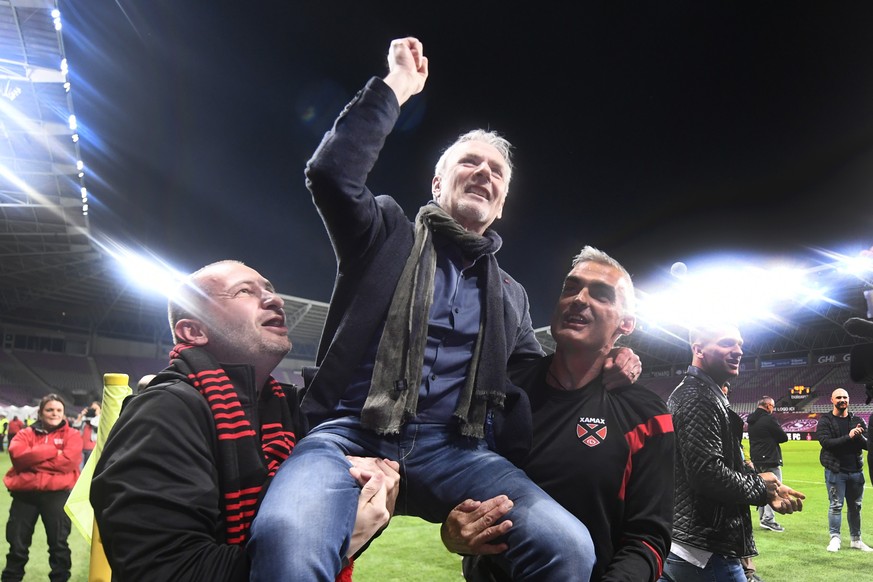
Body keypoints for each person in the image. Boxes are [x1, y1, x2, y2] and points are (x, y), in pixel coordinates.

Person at [248, 37, 636, 582]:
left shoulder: (512, 296)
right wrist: (397, 87)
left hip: (458, 452)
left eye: (497, 171)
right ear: (437, 182)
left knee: (568, 546)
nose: (485, 172)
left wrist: (606, 360)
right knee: (289, 538)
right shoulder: (383, 233)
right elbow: (331, 174)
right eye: (469, 162)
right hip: (349, 435)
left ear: (500, 204)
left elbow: (537, 377)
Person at [90, 260, 399, 581]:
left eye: (270, 290)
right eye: (244, 292)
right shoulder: (163, 412)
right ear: (193, 331)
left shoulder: (290, 408)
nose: (275, 300)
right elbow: (165, 570)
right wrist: (332, 542)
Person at [441, 246, 674, 582]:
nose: (579, 299)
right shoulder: (501, 389)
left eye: (601, 294)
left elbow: (649, 537)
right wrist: (453, 531)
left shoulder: (646, 414)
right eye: (570, 287)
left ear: (626, 323)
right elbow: (458, 477)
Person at [661, 323, 805, 581]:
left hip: (693, 544)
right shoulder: (697, 396)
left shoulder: (705, 392)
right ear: (698, 349)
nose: (738, 350)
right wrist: (761, 488)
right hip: (705, 549)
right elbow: (707, 473)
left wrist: (762, 482)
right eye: (727, 343)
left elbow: (724, 460)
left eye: (740, 344)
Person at [2, 393, 82, 582]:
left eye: (58, 410)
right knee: (17, 546)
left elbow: (68, 463)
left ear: (63, 413)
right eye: (49, 410)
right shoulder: (25, 433)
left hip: (56, 496)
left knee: (59, 546)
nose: (54, 413)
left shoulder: (72, 435)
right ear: (40, 413)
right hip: (24, 496)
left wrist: (32, 460)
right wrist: (53, 451)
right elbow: (17, 455)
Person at [817, 387, 873, 552]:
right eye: (839, 397)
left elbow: (868, 445)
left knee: (856, 506)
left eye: (845, 397)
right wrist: (848, 436)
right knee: (836, 505)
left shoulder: (857, 420)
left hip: (856, 470)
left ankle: (856, 539)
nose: (842, 400)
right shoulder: (825, 420)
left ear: (848, 400)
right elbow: (826, 443)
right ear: (832, 400)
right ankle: (835, 539)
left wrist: (860, 437)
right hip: (836, 470)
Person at [747, 396, 788, 533]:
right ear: (768, 406)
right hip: (770, 458)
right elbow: (783, 437)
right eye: (773, 406)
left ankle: (763, 517)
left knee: (761, 488)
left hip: (757, 459)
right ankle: (768, 519)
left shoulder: (751, 420)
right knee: (775, 489)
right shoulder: (769, 419)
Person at [71, 401, 100, 468]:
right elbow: (75, 427)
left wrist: (97, 414)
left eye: (95, 408)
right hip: (81, 447)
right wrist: (81, 415)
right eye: (91, 408)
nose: (93, 410)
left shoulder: (100, 419)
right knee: (80, 468)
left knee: (88, 468)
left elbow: (96, 426)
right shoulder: (84, 418)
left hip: (92, 448)